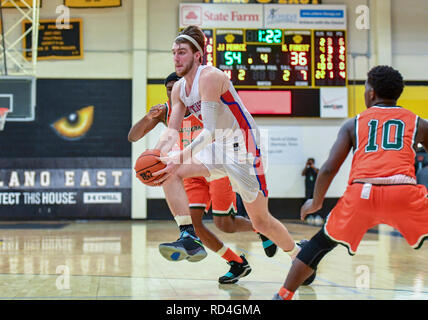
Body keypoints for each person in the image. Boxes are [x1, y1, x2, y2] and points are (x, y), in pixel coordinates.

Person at [151, 26, 310, 275]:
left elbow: (210, 130)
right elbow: (172, 131)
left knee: (261, 221)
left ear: (198, 56)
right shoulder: (180, 89)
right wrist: (157, 155)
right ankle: (188, 234)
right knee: (169, 171)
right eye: (174, 53)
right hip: (217, 148)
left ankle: (298, 255)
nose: (176, 58)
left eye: (182, 52)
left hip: (244, 148)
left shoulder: (211, 77)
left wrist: (178, 156)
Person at [273, 65, 428, 300]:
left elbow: (328, 169)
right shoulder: (419, 123)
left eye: (366, 87)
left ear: (371, 93)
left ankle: (283, 294)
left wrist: (316, 202)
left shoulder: (353, 123)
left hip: (362, 193)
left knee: (320, 244)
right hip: (403, 191)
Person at [128, 72, 277, 284]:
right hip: (190, 171)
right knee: (194, 225)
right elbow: (133, 136)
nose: (172, 92)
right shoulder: (166, 112)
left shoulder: (205, 104)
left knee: (225, 224)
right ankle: (236, 262)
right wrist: (149, 117)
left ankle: (261, 228)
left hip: (213, 166)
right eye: (168, 89)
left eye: (176, 87)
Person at [301, 158, 322, 225]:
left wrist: (313, 167)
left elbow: (319, 173)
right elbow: (302, 174)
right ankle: (310, 216)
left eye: (311, 162)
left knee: (315, 202)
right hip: (308, 189)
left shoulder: (315, 169)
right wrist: (306, 166)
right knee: (308, 202)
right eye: (309, 162)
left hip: (315, 189)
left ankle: (316, 216)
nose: (310, 163)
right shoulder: (307, 170)